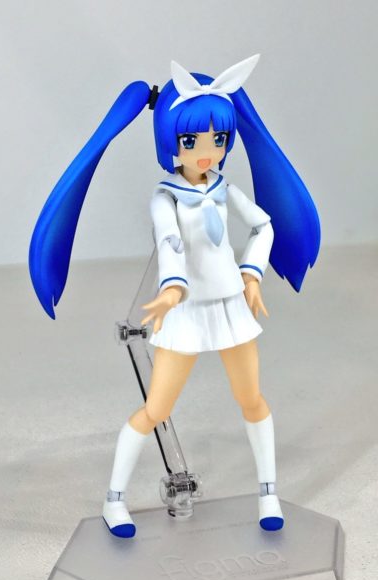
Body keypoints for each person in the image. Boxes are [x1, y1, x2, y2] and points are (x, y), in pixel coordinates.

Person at [29, 56, 320, 539]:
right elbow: (169, 241)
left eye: (218, 139)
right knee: (157, 409)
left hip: (229, 307)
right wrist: (172, 286)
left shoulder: (225, 189)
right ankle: (114, 501)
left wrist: (251, 274)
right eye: (191, 141)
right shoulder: (164, 197)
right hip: (184, 311)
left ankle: (268, 493)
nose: (207, 151)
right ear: (170, 143)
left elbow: (264, 225)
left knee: (251, 399)